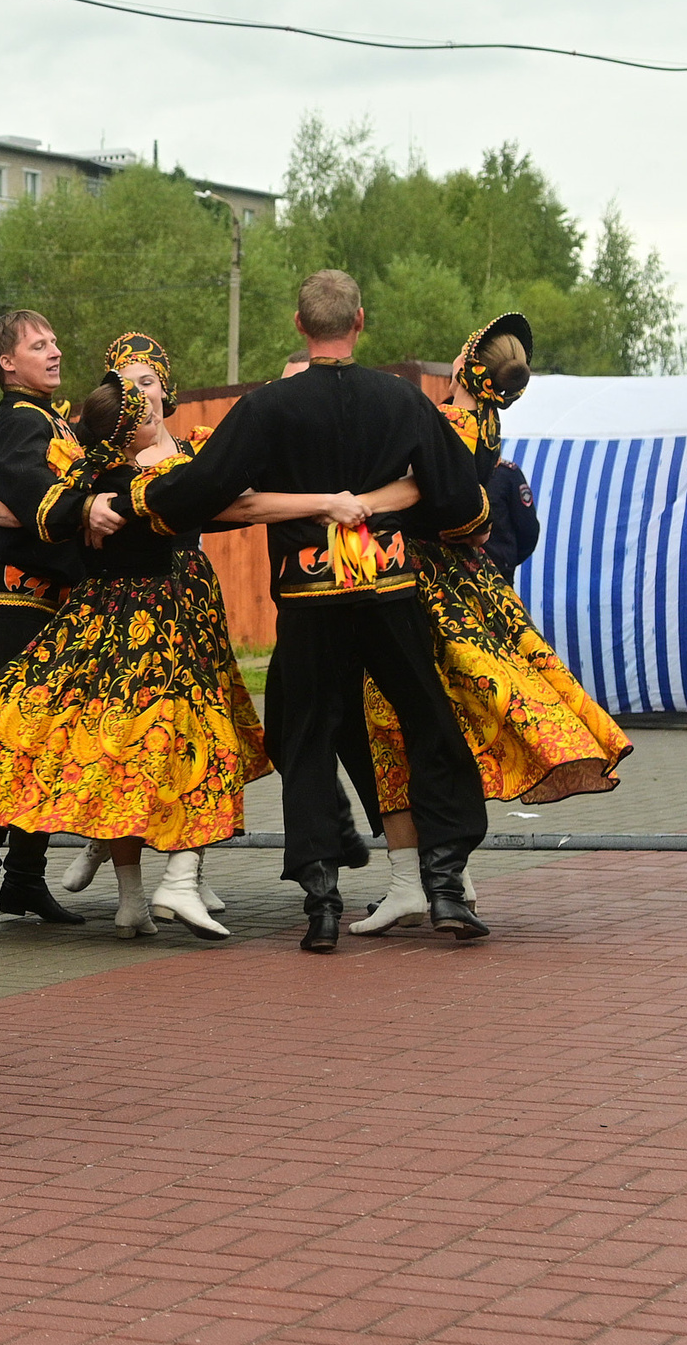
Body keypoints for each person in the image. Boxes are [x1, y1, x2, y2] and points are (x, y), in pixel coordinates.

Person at [0, 361, 362, 942]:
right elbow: (242, 508)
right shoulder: (153, 483)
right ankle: (179, 876)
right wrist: (326, 502)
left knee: (107, 751)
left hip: (92, 622)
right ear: (132, 430)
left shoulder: (80, 480)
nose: (156, 412)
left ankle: (129, 900)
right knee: (196, 744)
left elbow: (20, 508)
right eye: (145, 410)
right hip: (154, 626)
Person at [128, 270, 494, 952]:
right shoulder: (401, 400)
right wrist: (398, 501)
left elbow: (201, 490)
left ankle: (323, 899)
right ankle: (445, 882)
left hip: (309, 595)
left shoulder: (270, 408)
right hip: (389, 590)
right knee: (427, 721)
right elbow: (461, 499)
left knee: (304, 735)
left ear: (300, 325)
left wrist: (135, 500)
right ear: (360, 321)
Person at [347, 313, 631, 933]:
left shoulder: (446, 422)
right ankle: (453, 876)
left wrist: (360, 499)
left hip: (415, 588)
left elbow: (406, 491)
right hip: (471, 588)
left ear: (467, 368)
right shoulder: (489, 425)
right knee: (460, 724)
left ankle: (410, 882)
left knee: (392, 722)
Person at [0, 308, 118, 930]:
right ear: (7, 364)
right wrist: (79, 509)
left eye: (54, 341)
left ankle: (24, 879)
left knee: (46, 739)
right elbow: (27, 489)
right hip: (17, 596)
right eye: (37, 345)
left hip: (52, 594)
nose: (53, 352)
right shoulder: (20, 419)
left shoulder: (51, 418)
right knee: (7, 732)